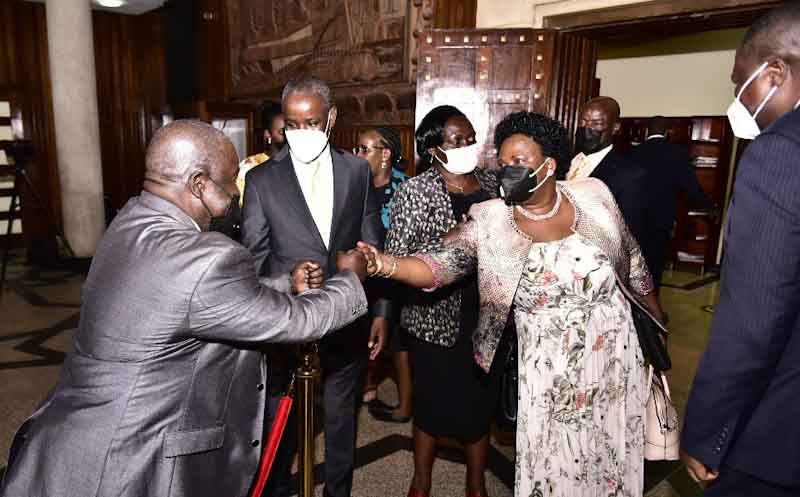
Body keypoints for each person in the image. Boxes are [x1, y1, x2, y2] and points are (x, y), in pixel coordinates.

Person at [0, 120, 370, 497]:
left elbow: (189, 297)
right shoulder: (205, 256)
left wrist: (285, 283)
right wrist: (349, 279)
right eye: (230, 181)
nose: (235, 193)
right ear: (199, 184)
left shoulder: (130, 221)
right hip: (129, 461)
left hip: (71, 441)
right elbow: (297, 321)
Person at [360, 111, 665, 497]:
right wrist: (384, 264)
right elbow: (440, 266)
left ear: (549, 164)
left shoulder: (594, 195)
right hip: (545, 366)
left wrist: (656, 323)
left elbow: (633, 262)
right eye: (503, 163)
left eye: (518, 161)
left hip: (610, 357)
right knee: (554, 461)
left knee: (607, 454)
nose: (507, 171)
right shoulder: (492, 219)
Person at [241, 75, 386, 497]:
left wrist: (379, 309)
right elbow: (251, 264)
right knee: (279, 422)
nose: (301, 133)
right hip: (286, 323)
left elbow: (373, 243)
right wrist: (288, 284)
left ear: (331, 118)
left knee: (341, 422)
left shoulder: (357, 171)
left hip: (347, 318)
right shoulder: (262, 180)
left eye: (312, 123)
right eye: (292, 124)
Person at [681, 4, 800, 496]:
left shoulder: (781, 152)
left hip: (778, 435)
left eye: (739, 83)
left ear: (775, 73)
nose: (737, 99)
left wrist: (708, 432)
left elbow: (754, 318)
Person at [383, 105, 500, 497]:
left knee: (479, 407)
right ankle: (421, 481)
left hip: (486, 313)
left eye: (471, 139)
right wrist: (449, 240)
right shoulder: (415, 191)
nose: (467, 146)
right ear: (434, 149)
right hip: (433, 317)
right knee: (431, 406)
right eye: (457, 140)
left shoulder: (492, 184)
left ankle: (476, 484)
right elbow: (396, 257)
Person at [353, 126, 412, 423]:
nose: (357, 155)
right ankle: (368, 385)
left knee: (398, 339)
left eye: (364, 149)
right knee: (362, 332)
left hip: (399, 273)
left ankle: (405, 405)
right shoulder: (353, 184)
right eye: (356, 149)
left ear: (385, 154)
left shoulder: (406, 188)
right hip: (363, 272)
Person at [627, 116, 716, 287]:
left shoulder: (632, 152)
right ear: (667, 132)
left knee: (632, 264)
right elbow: (691, 186)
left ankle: (631, 300)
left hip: (634, 217)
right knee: (654, 265)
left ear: (647, 131)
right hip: (662, 217)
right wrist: (709, 207)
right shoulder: (677, 153)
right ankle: (651, 300)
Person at [568, 97, 649, 247]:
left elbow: (630, 233)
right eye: (583, 122)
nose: (587, 128)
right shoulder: (566, 161)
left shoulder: (629, 174)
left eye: (597, 123)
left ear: (615, 127)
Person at [237, 101, 286, 198]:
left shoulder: (299, 162)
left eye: (291, 129)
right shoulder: (249, 166)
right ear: (268, 134)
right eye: (282, 132)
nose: (287, 135)